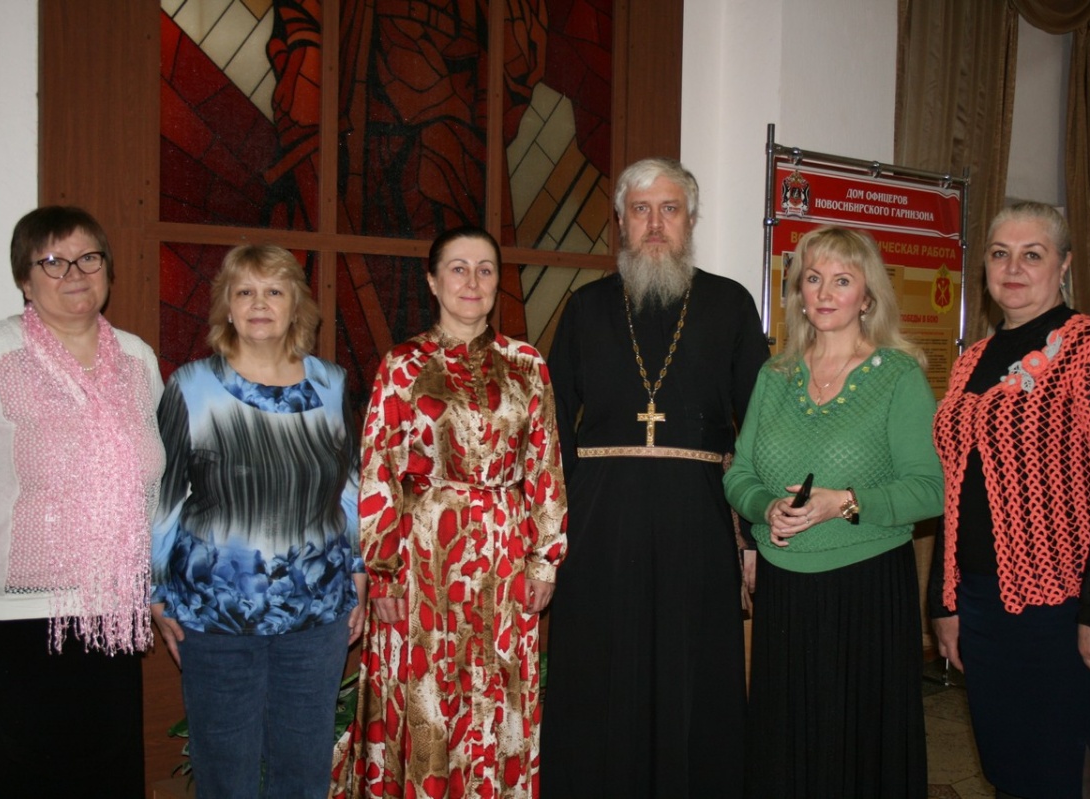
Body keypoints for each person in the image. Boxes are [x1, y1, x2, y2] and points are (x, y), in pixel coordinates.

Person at [540, 157, 769, 798]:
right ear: (620, 221)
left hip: (698, 517)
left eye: (670, 209)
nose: (655, 224)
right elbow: (550, 422)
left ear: (690, 220)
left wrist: (752, 534)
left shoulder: (729, 303)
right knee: (600, 663)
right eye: (641, 210)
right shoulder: (586, 307)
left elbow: (761, 425)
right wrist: (553, 530)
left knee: (693, 665)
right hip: (599, 521)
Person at [330, 226, 567, 798]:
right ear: (434, 282)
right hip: (423, 559)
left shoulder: (527, 363)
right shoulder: (403, 365)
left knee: (498, 689)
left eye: (485, 270)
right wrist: (383, 570)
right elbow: (379, 470)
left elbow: (545, 465)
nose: (472, 281)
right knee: (426, 692)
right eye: (458, 268)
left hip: (505, 556)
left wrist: (545, 560)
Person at [931, 202, 1090, 799]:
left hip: (1067, 602)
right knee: (1010, 765)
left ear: (1064, 265)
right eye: (999, 254)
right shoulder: (970, 362)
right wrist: (945, 602)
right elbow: (957, 489)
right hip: (983, 602)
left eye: (1032, 254)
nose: (1013, 268)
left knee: (1070, 764)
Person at [722, 225, 943, 798]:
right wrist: (766, 507)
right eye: (813, 279)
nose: (824, 292)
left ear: (867, 297)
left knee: (858, 747)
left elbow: (931, 490)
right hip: (785, 592)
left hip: (866, 591)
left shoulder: (898, 376)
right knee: (787, 744)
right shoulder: (774, 376)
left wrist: (842, 502)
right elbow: (739, 475)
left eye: (842, 280)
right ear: (797, 292)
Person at [150, 244, 365, 798]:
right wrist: (155, 590)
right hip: (215, 616)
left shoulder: (332, 385)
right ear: (227, 306)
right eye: (244, 291)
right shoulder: (190, 387)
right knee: (226, 775)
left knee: (303, 772)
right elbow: (164, 498)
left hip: (316, 612)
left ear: (297, 305)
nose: (259, 303)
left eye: (274, 290)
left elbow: (350, 488)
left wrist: (359, 572)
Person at [0, 206, 165, 796]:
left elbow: (155, 479)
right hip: (15, 617)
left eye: (88, 258)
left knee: (107, 775)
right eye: (53, 262)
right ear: (24, 279)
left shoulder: (136, 359)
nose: (75, 274)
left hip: (112, 611)